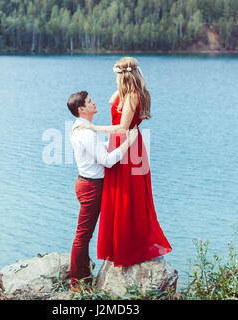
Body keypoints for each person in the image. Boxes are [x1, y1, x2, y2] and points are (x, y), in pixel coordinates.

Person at [77, 57, 172, 267]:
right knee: (118, 195)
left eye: (117, 76)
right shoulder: (126, 94)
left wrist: (93, 128)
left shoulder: (132, 97)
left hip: (128, 149)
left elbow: (121, 127)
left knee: (127, 198)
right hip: (121, 146)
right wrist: (121, 82)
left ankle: (128, 247)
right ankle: (118, 246)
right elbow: (111, 101)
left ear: (123, 76)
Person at [67, 91, 139, 292]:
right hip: (91, 187)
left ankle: (82, 276)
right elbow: (107, 161)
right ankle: (77, 282)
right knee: (83, 235)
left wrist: (118, 139)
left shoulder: (81, 129)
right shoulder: (86, 133)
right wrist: (128, 142)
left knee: (84, 234)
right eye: (90, 102)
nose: (94, 102)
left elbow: (99, 150)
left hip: (88, 183)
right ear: (82, 109)